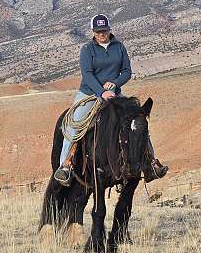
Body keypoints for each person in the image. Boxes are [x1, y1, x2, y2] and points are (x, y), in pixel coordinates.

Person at [53, 13, 168, 186]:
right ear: (93, 31)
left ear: (109, 30)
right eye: (98, 31)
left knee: (138, 122)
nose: (102, 34)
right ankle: (66, 166)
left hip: (114, 94)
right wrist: (101, 92)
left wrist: (114, 84)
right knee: (74, 123)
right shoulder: (87, 49)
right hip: (89, 93)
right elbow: (87, 74)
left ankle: (151, 163)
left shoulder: (119, 47)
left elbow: (127, 71)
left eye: (104, 30)